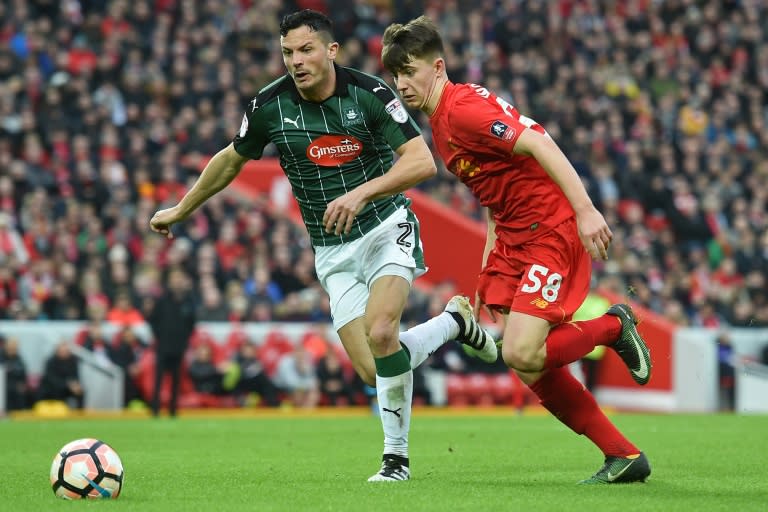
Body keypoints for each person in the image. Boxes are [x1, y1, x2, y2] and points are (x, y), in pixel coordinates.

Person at [149, 9, 497, 481]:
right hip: (331, 250)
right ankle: (453, 324)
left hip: (384, 226)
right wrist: (180, 209)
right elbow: (231, 160)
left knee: (381, 332)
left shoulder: (370, 93)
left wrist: (359, 193)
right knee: (376, 370)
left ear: (331, 50)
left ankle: (395, 460)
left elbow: (421, 162)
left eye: (306, 49)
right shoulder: (269, 106)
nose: (296, 60)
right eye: (288, 52)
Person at [381, 16, 653, 485]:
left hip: (548, 229)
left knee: (522, 352)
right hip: (513, 235)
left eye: (410, 71)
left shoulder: (461, 110)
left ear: (438, 67)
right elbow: (494, 187)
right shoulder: (444, 119)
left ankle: (612, 326)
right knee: (526, 362)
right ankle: (623, 455)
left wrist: (585, 210)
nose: (403, 84)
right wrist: (490, 261)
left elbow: (539, 142)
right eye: (396, 75)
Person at [144, 268, 197, 417]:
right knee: (159, 379)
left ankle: (173, 410)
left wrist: (184, 339)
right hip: (163, 346)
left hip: (179, 347)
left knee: (176, 380)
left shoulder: (187, 301)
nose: (177, 281)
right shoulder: (162, 301)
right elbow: (153, 320)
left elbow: (192, 322)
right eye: (174, 278)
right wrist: (160, 337)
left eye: (179, 278)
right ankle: (155, 409)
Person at [38, 341, 84, 409]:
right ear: (57, 351)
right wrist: (68, 385)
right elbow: (51, 379)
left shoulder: (73, 361)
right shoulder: (51, 361)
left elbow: (75, 376)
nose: (64, 353)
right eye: (62, 351)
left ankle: (80, 413)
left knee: (80, 391)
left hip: (68, 387)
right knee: (57, 390)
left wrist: (76, 385)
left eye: (66, 351)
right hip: (53, 387)